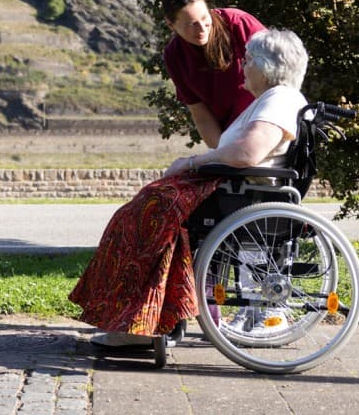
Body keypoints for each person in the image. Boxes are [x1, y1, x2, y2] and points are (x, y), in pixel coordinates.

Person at [69, 28, 309, 348]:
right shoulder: (273, 99)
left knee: (150, 215)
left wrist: (192, 162)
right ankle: (142, 321)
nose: (243, 67)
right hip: (231, 190)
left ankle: (142, 325)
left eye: (248, 60)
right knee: (144, 209)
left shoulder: (278, 100)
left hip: (236, 195)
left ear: (267, 67)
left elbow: (245, 154)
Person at [160, 0, 266, 147]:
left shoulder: (239, 24)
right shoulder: (174, 56)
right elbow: (202, 117)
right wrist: (222, 154)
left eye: (204, 18)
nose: (202, 29)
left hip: (267, 127)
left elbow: (281, 80)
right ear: (170, 24)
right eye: (191, 24)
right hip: (230, 138)